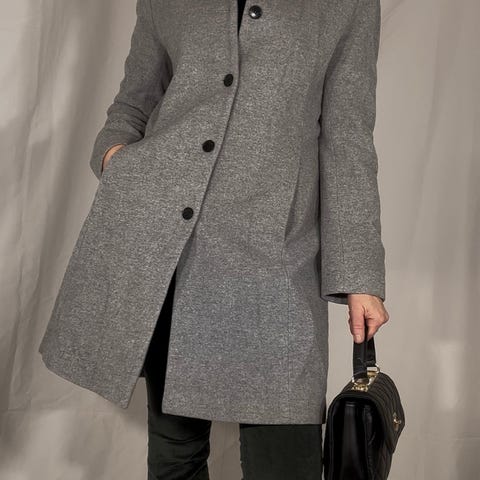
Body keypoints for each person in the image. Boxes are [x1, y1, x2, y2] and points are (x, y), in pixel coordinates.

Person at [39, 0, 389, 478]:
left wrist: (360, 275)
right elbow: (134, 101)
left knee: (285, 464)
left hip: (277, 261)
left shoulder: (346, 5)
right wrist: (115, 159)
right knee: (175, 459)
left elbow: (348, 139)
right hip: (171, 252)